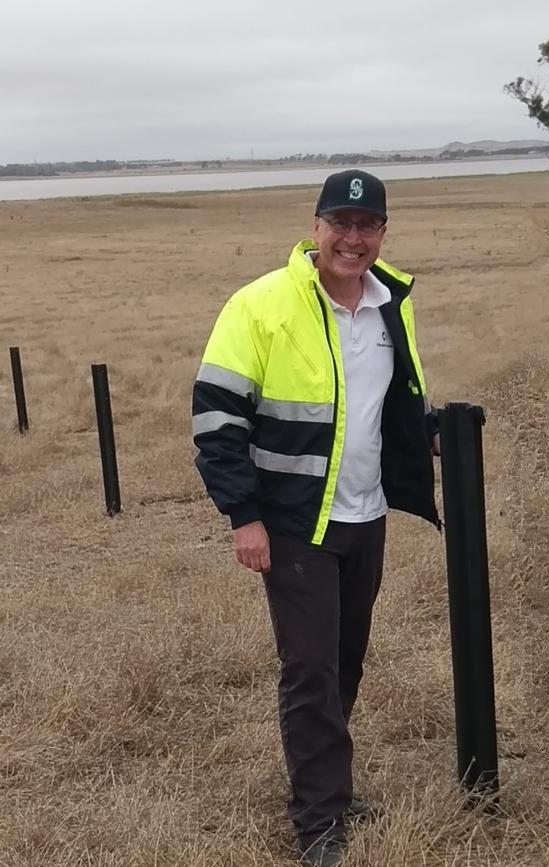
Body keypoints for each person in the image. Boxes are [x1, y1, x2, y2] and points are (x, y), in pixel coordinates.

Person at [192, 169, 440, 866]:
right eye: (341, 224)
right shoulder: (260, 305)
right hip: (296, 520)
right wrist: (244, 516)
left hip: (366, 514)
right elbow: (216, 417)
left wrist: (429, 433)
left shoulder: (393, 301)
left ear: (382, 233)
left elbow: (387, 399)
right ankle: (319, 822)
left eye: (367, 227)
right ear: (316, 226)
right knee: (309, 669)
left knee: (344, 662)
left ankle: (325, 781)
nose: (353, 240)